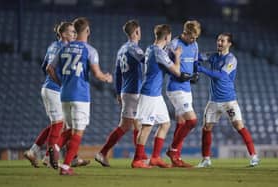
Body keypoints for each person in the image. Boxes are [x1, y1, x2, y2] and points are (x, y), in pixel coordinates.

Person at [47, 17, 113, 175]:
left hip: (64, 94)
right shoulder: (90, 50)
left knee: (70, 129)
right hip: (80, 95)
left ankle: (55, 147)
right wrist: (106, 77)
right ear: (88, 31)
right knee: (78, 131)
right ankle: (65, 166)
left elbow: (50, 68)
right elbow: (97, 74)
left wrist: (61, 83)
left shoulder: (64, 48)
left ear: (75, 32)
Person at [24, 22, 89, 168]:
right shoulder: (65, 48)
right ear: (64, 34)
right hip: (54, 89)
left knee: (59, 124)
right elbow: (49, 68)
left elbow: (44, 67)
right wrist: (59, 83)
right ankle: (48, 157)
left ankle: (35, 151)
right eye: (71, 32)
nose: (74, 34)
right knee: (59, 124)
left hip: (48, 88)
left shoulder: (52, 46)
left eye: (74, 32)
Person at [196, 33, 259, 167]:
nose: (219, 42)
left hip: (228, 101)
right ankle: (206, 159)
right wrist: (192, 59)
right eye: (218, 40)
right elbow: (198, 56)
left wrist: (201, 69)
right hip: (213, 101)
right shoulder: (212, 56)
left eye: (222, 41)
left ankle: (254, 156)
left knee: (239, 126)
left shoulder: (231, 60)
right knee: (206, 128)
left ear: (229, 43)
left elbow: (221, 75)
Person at [132, 24, 186, 168]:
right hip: (149, 93)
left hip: (156, 94)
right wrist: (178, 57)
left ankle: (155, 157)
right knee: (146, 127)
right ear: (167, 37)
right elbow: (176, 71)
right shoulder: (159, 52)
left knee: (165, 123)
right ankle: (137, 160)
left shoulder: (151, 48)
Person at [95, 20, 145, 167]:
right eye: (139, 31)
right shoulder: (134, 49)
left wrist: (118, 92)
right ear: (136, 32)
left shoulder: (122, 49)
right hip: (134, 90)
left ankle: (140, 156)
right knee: (128, 126)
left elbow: (117, 73)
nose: (140, 33)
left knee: (136, 125)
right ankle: (103, 152)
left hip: (125, 90)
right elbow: (147, 60)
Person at [166, 20, 201, 167]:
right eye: (191, 37)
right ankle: (172, 150)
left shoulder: (195, 45)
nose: (193, 40)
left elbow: (195, 63)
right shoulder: (174, 45)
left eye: (195, 38)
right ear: (185, 32)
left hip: (187, 88)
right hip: (175, 87)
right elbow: (166, 64)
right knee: (192, 121)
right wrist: (179, 74)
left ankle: (176, 159)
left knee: (181, 123)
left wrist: (196, 73)